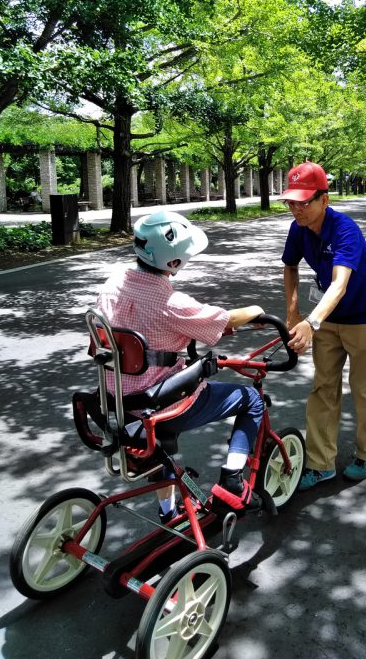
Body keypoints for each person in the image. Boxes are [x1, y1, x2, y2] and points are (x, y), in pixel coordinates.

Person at [96, 210, 264, 522]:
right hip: (158, 405)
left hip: (116, 399)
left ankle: (168, 512)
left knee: (160, 449)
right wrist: (256, 309)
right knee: (251, 400)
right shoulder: (169, 304)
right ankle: (231, 479)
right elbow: (224, 318)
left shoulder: (113, 283)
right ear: (172, 263)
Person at [280, 162, 366, 490]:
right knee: (323, 387)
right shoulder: (298, 228)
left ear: (324, 200)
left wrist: (311, 322)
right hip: (327, 318)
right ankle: (320, 463)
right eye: (291, 202)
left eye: (304, 202)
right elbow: (290, 266)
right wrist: (292, 313)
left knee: (362, 388)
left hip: (362, 316)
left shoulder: (345, 229)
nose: (296, 209)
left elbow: (340, 284)